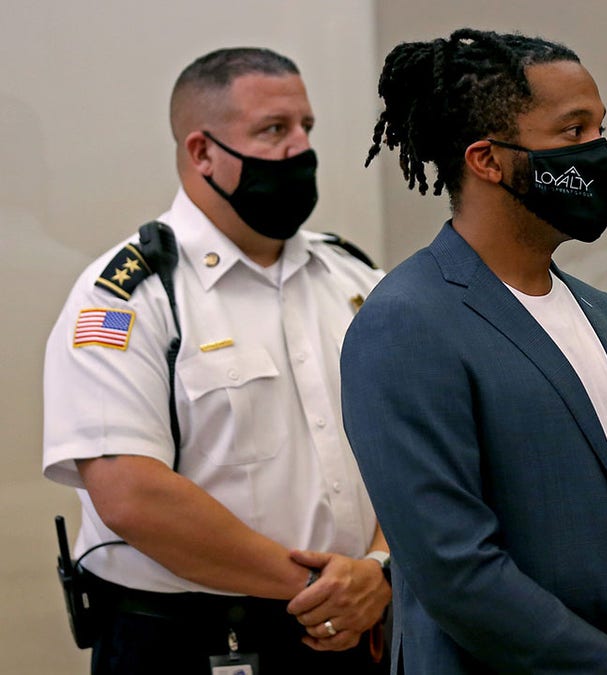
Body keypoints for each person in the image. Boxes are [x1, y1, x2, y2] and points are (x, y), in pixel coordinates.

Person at [341, 28, 607, 675]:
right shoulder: (404, 322)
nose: (599, 153)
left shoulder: (605, 315)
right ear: (487, 159)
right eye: (573, 132)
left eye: (599, 129)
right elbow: (455, 571)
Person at [42, 48, 390, 674]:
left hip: (355, 631)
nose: (300, 149)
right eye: (273, 130)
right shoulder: (129, 296)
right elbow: (131, 496)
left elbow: (419, 445)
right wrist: (325, 591)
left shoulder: (355, 278)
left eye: (306, 127)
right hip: (190, 645)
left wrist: (381, 570)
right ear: (201, 153)